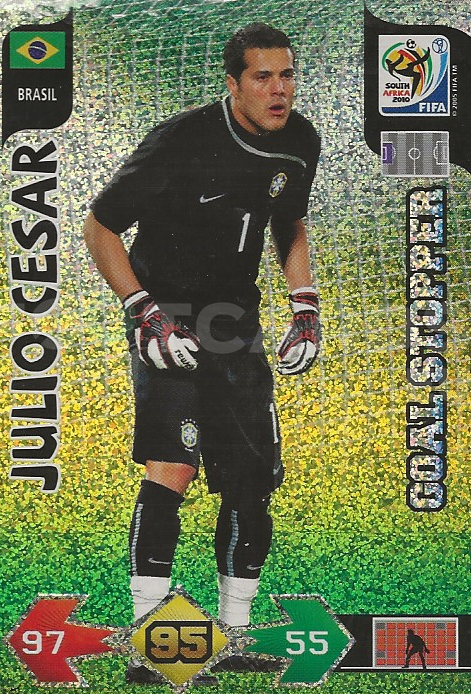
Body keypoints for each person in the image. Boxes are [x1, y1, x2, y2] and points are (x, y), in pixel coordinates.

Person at [84, 22, 321, 683]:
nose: (279, 90)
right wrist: (142, 311)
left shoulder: (300, 141)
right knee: (174, 468)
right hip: (168, 317)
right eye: (263, 77)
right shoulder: (181, 139)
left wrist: (304, 304)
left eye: (287, 75)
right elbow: (100, 226)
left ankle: (233, 639)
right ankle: (149, 646)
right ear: (233, 83)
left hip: (234, 322)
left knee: (251, 481)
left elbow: (289, 220)